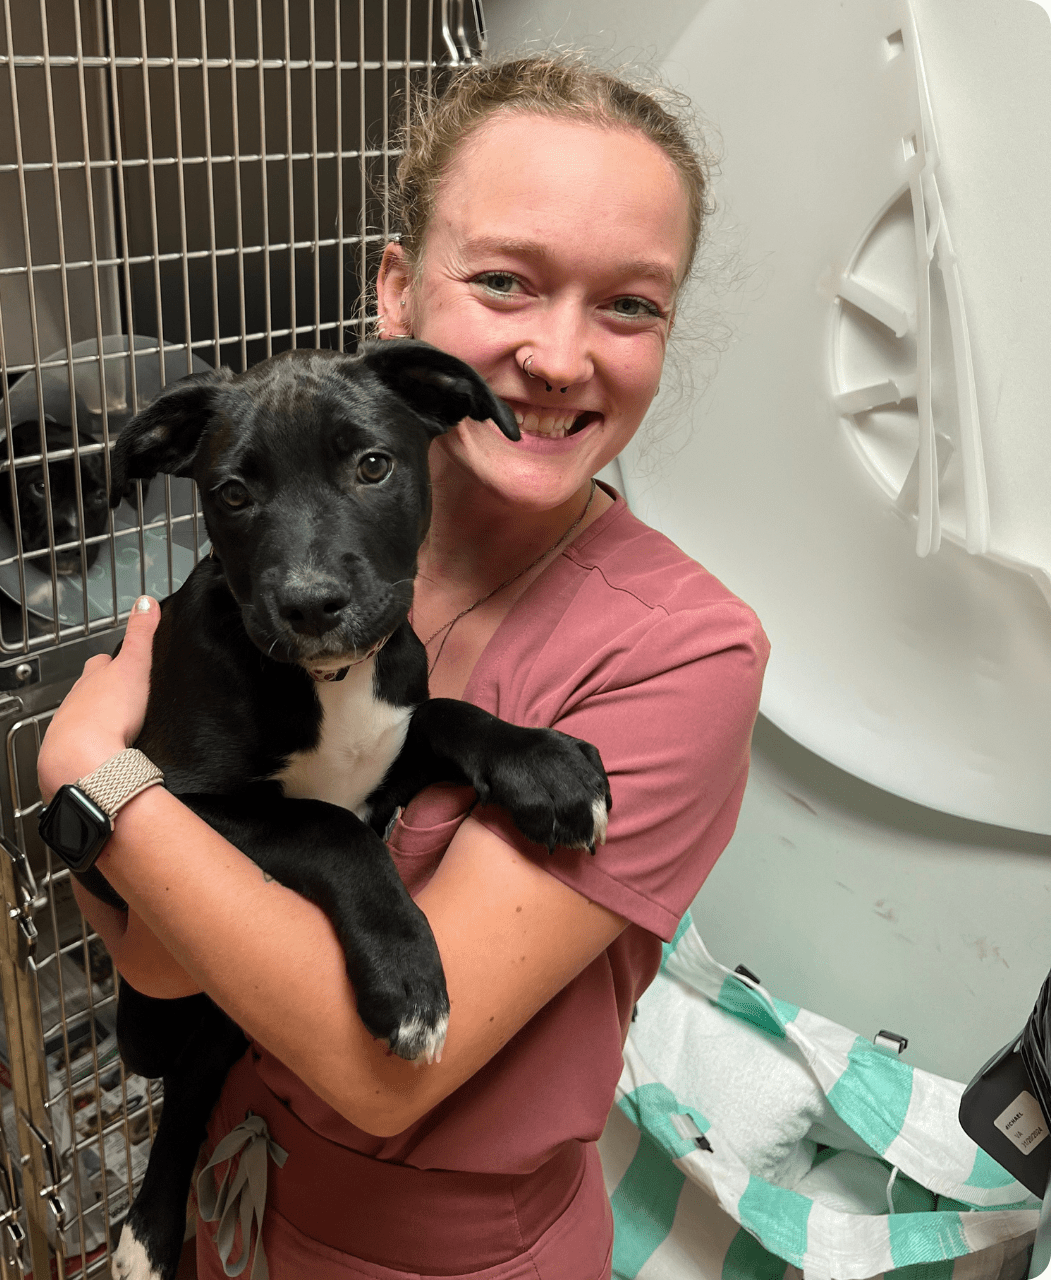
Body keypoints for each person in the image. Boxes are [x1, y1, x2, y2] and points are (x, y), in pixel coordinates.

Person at [37, 55, 768, 1280]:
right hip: (231, 1195)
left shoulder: (682, 653)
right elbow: (156, 964)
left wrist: (93, 776)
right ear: (395, 289)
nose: (554, 354)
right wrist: (140, 835)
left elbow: (380, 1074)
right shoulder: (285, 594)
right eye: (503, 281)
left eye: (628, 305)